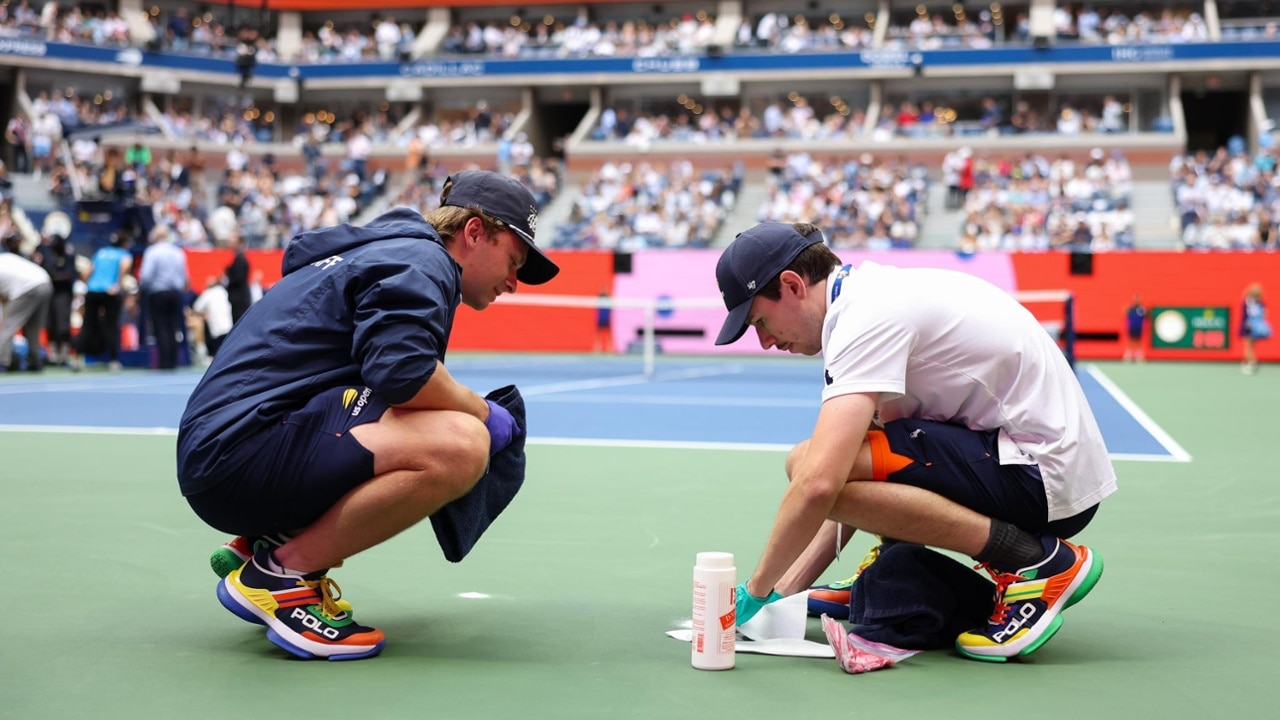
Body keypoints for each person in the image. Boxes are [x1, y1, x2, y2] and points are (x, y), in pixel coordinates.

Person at [176, 171, 560, 660]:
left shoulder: (388, 253)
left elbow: (382, 380)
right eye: (514, 260)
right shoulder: (422, 260)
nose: (514, 282)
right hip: (237, 456)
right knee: (461, 443)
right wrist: (483, 410)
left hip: (233, 450)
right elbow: (403, 375)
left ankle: (272, 538)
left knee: (434, 422)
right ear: (474, 232)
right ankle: (281, 575)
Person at [713, 222, 1115, 663]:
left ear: (792, 285)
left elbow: (819, 483)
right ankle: (896, 558)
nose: (765, 341)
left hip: (1043, 478)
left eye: (760, 321)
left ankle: (1037, 563)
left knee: (806, 461)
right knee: (851, 453)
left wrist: (754, 592)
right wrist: (786, 593)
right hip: (1031, 462)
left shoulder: (865, 318)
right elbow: (846, 470)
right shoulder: (868, 296)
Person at [74, 231, 133, 371]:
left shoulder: (100, 253)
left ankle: (78, 358)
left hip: (93, 291)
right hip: (110, 292)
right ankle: (113, 361)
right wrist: (117, 285)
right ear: (124, 244)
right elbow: (124, 268)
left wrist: (89, 285)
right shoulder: (124, 255)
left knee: (88, 325)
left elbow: (86, 272)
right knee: (111, 325)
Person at [138, 224, 190, 370]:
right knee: (173, 326)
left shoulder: (152, 252)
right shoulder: (178, 252)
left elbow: (146, 276)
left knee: (160, 327)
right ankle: (173, 361)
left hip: (158, 292)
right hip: (174, 293)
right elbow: (184, 276)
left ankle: (164, 362)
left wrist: (144, 287)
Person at [0, 245, 53, 371]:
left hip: (27, 288)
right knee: (33, 328)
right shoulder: (5, 258)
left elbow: (3, 298)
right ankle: (35, 361)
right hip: (45, 282)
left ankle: (2, 361)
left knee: (8, 326)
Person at [223, 232, 252, 324]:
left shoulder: (240, 260)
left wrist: (227, 279)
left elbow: (238, 278)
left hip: (239, 299)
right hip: (239, 299)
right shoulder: (238, 259)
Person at [1240, 282, 1269, 375]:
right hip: (1256, 327)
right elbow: (1264, 314)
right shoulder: (1261, 303)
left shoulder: (1247, 302)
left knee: (1248, 345)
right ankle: (1249, 361)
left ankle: (1252, 363)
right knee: (1250, 345)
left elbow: (1244, 315)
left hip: (1249, 326)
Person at [1123, 292, 1147, 362]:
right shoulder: (1131, 308)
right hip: (1132, 326)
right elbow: (1126, 315)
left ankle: (1139, 355)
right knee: (1130, 340)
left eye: (1138, 298)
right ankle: (1128, 355)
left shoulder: (1142, 309)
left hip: (1139, 327)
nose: (1137, 300)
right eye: (1136, 298)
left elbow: (1145, 317)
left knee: (1138, 341)